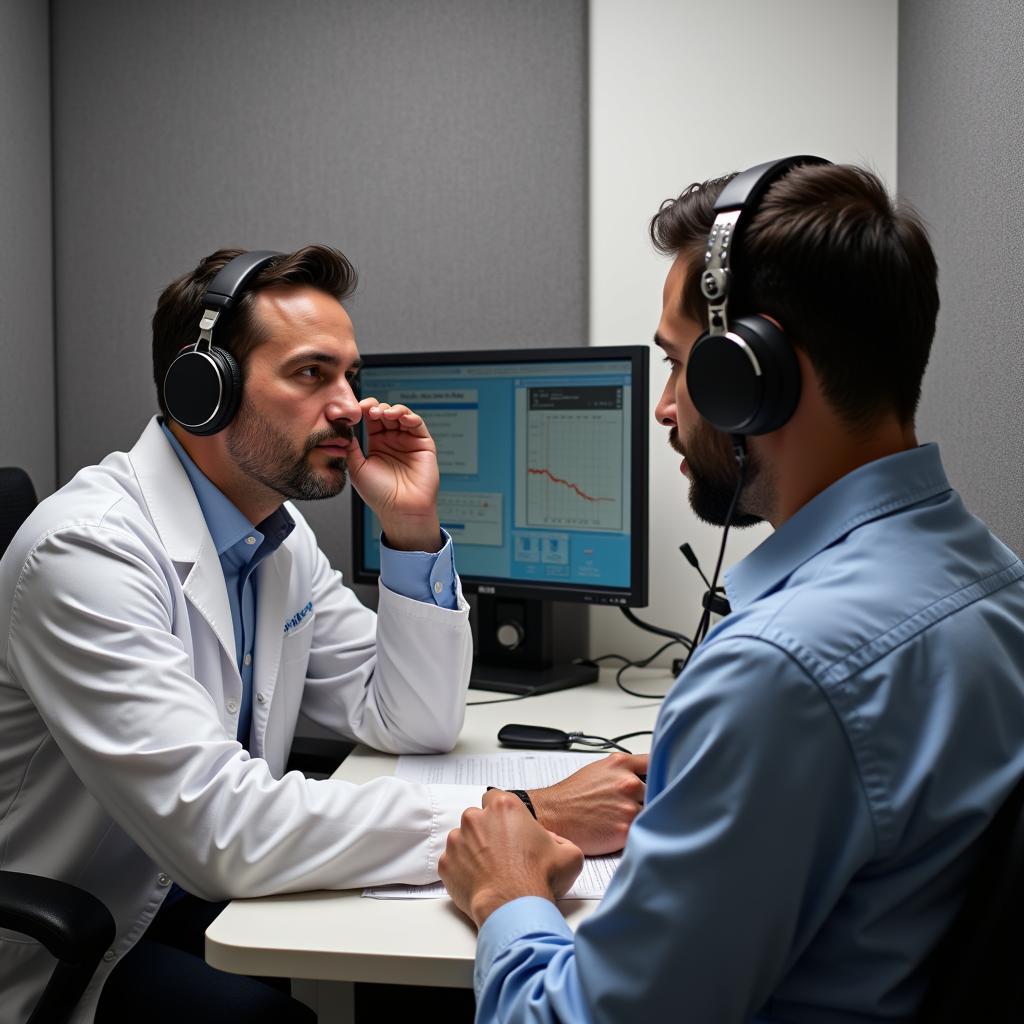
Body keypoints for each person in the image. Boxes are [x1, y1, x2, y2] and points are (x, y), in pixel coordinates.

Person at [438, 159, 1024, 1022]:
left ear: (753, 374)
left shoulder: (781, 672)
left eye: (680, 367)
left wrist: (507, 892)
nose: (668, 407)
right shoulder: (992, 580)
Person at [0, 245, 645, 1024]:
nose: (351, 407)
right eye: (312, 375)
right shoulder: (86, 552)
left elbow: (416, 720)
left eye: (351, 377)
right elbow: (219, 831)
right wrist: (527, 814)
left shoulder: (274, 531)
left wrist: (410, 532)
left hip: (198, 892)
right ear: (200, 387)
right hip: (87, 935)